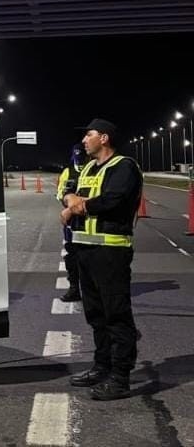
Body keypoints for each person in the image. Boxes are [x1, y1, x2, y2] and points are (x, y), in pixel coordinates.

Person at [61, 118, 142, 401]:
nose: (84, 140)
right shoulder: (87, 169)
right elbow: (70, 195)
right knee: (96, 315)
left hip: (111, 251)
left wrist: (78, 206)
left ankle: (120, 378)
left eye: (89, 135)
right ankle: (102, 366)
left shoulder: (124, 166)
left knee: (116, 314)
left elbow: (112, 200)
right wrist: (71, 200)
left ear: (104, 138)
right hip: (84, 250)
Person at [56, 145, 86, 301]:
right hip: (72, 221)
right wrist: (69, 200)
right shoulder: (68, 172)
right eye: (77, 158)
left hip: (91, 219)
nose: (80, 162)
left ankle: (93, 289)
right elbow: (60, 193)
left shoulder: (94, 169)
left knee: (93, 256)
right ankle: (74, 288)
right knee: (71, 255)